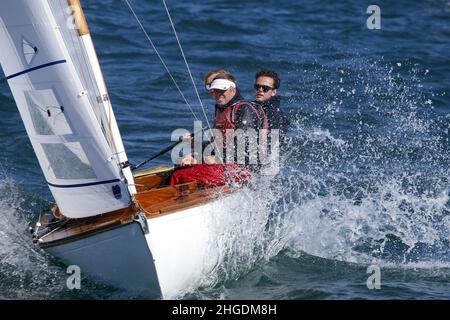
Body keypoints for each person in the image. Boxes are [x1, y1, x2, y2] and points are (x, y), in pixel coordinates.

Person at [253, 70, 290, 143]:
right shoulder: (254, 107)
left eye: (265, 88)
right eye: (257, 87)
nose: (260, 90)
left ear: (273, 92)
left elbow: (273, 148)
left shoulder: (275, 114)